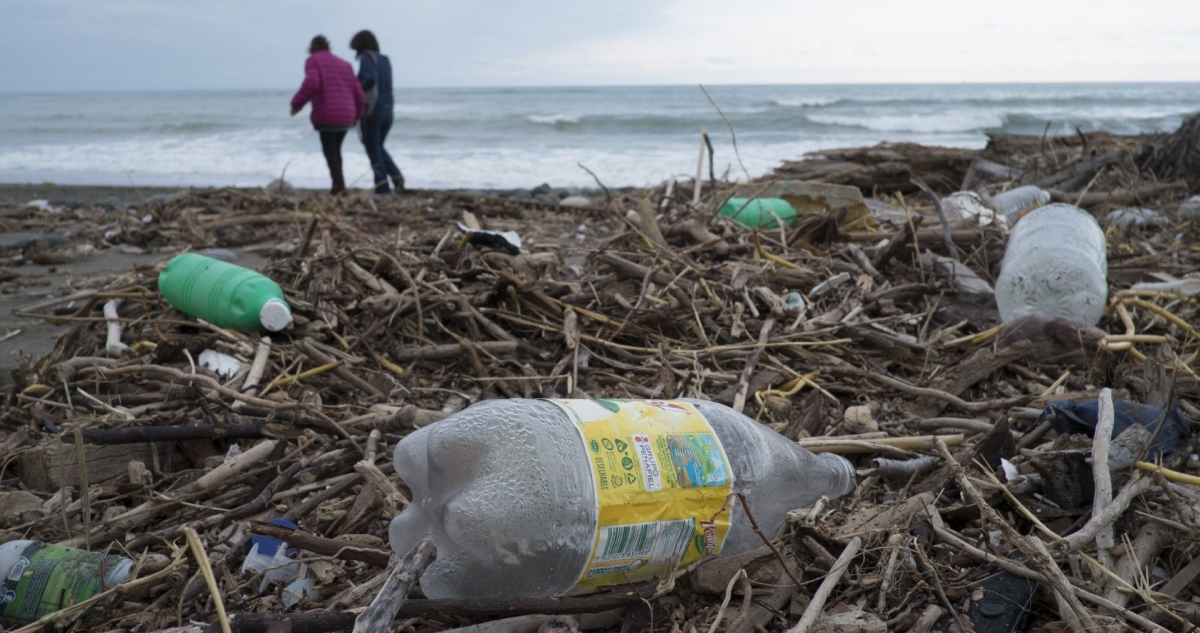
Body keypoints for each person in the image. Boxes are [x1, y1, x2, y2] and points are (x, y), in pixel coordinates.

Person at [290, 35, 364, 195]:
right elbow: (358, 92)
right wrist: (357, 115)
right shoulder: (345, 65)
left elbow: (312, 83)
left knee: (330, 151)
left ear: (312, 48)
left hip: (327, 113)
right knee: (336, 150)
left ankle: (340, 188)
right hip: (346, 114)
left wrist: (296, 104)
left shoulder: (313, 60)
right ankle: (338, 186)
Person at [350, 30, 405, 194]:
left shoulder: (367, 57)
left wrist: (356, 91)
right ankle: (396, 177)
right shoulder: (385, 59)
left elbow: (369, 79)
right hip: (388, 110)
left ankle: (382, 187)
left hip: (373, 111)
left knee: (373, 150)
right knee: (378, 147)